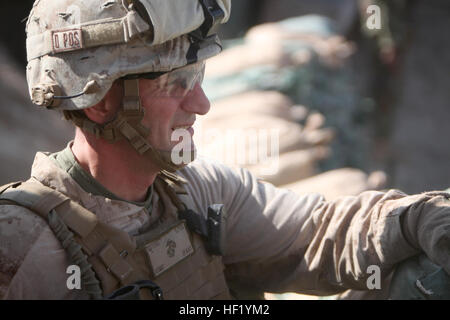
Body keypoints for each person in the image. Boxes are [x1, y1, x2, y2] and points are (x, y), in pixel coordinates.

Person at [0, 0, 449, 300]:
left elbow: (317, 234)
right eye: (175, 84)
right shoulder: (21, 243)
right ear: (99, 102)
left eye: (196, 79)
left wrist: (415, 219)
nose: (200, 104)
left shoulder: (197, 193)